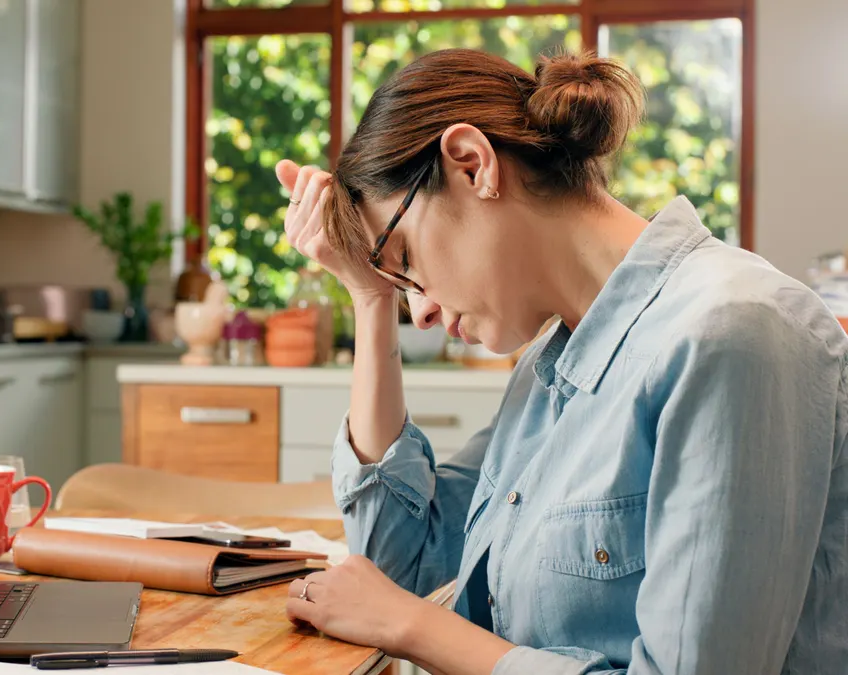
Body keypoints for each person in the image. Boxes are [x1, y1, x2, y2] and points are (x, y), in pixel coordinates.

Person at [277, 49, 848, 675]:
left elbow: (397, 607)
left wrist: (415, 628)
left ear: (472, 165)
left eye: (406, 259)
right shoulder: (550, 366)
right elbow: (395, 567)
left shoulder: (732, 331)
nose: (422, 312)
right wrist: (370, 298)